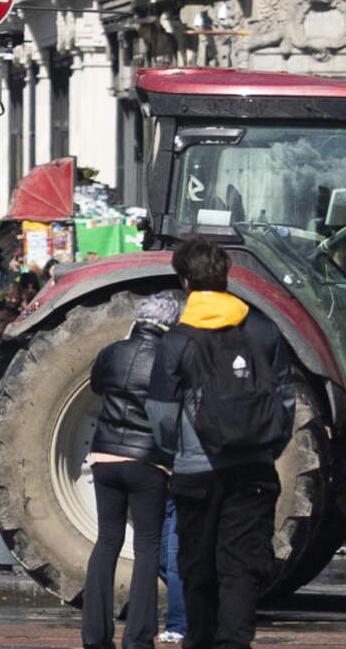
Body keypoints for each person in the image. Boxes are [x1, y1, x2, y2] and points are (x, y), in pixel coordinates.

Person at [151, 241, 293, 649]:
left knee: (197, 566)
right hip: (254, 468)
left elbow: (161, 410)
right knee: (243, 566)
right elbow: (285, 400)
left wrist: (171, 454)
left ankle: (199, 641)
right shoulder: (264, 328)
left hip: (196, 471)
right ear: (227, 276)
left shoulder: (178, 339)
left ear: (185, 281)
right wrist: (269, 447)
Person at [83, 296, 176, 649]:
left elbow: (97, 387)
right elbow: (170, 414)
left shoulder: (111, 352)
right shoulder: (168, 361)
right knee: (148, 546)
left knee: (106, 540)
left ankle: (94, 636)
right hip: (147, 462)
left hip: (104, 455)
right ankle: (137, 638)